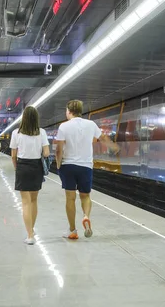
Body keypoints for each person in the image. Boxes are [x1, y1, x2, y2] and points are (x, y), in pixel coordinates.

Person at [55, 100, 119, 239]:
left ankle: (72, 230)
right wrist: (114, 147)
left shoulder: (63, 127)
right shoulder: (91, 124)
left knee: (70, 198)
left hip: (68, 166)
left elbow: (59, 149)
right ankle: (85, 216)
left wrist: (58, 164)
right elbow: (102, 138)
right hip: (86, 166)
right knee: (86, 196)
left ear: (69, 111)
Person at [10, 106, 50, 245]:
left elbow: (13, 155)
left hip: (22, 166)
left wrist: (17, 169)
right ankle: (31, 230)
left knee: (25, 203)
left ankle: (30, 235)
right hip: (36, 167)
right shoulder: (42, 132)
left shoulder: (16, 133)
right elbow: (46, 153)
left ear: (24, 118)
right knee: (33, 201)